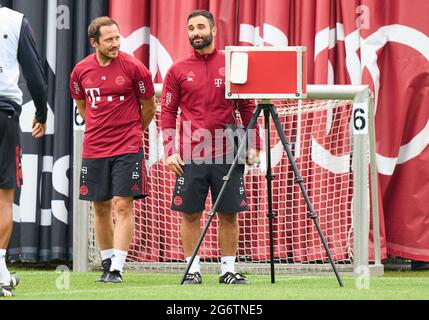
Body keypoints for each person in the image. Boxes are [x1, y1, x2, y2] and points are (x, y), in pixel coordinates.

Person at [161, 10, 260, 285]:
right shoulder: (177, 69)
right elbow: (167, 112)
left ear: (214, 31)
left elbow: (247, 106)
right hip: (190, 154)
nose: (195, 32)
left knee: (228, 213)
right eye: (191, 28)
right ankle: (192, 269)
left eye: (201, 27)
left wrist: (253, 144)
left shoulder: (232, 65)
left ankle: (228, 270)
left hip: (227, 152)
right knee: (190, 213)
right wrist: (170, 149)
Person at [70, 17, 156, 284]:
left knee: (122, 204)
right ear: (94, 42)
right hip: (94, 147)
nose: (115, 43)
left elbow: (149, 106)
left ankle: (117, 267)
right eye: (109, 39)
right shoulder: (80, 71)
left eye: (117, 37)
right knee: (100, 205)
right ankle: (106, 262)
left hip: (127, 147)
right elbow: (83, 107)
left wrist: (131, 132)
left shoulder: (135, 68)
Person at [0, 6, 47, 297]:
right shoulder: (14, 20)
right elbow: (35, 77)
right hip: (3, 114)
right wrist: (41, 113)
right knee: (4, 197)